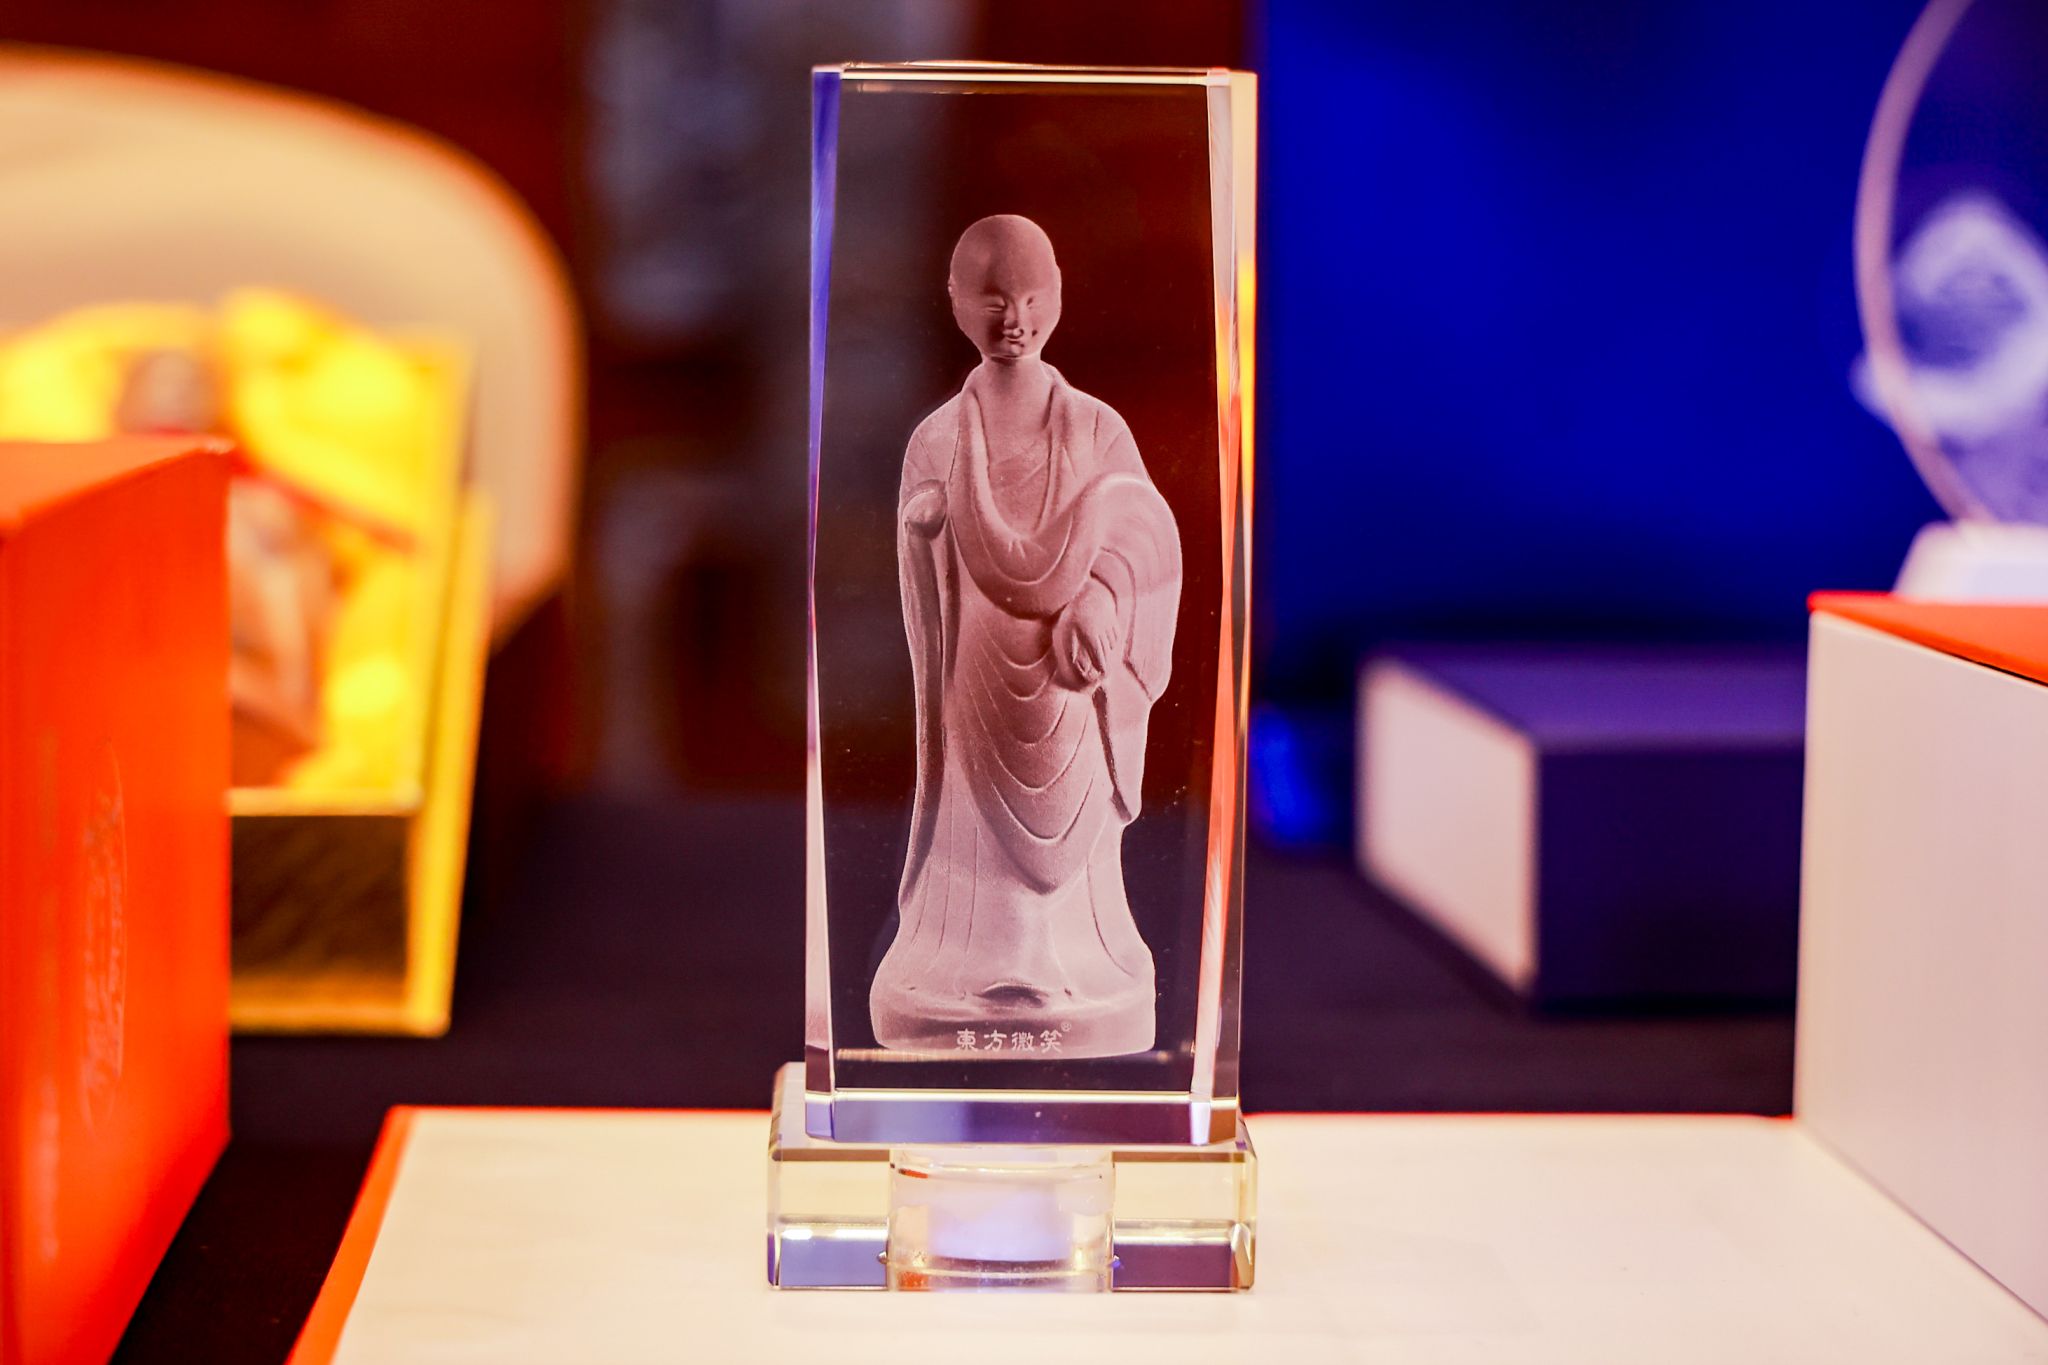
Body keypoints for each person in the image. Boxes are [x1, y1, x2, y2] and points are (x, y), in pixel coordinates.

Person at [871, 214, 1182, 1057]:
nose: (1015, 319)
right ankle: (982, 962)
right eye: (993, 299)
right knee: (977, 817)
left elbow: (1140, 532)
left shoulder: (1096, 428)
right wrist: (925, 532)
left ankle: (1064, 954)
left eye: (1033, 298)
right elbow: (917, 550)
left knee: (1069, 820)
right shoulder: (939, 436)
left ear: (1059, 298)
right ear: (955, 302)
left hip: (1069, 667)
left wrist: (1103, 599)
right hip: (977, 659)